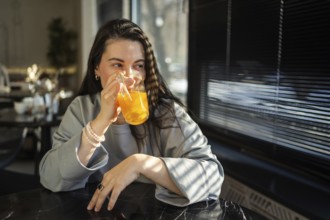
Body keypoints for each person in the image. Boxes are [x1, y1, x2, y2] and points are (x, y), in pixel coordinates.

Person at [39, 18, 224, 212]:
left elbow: (212, 176)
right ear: (96, 69)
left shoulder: (166, 113)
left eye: (138, 66)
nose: (129, 77)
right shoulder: (82, 109)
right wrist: (101, 121)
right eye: (118, 65)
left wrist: (141, 164)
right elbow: (50, 177)